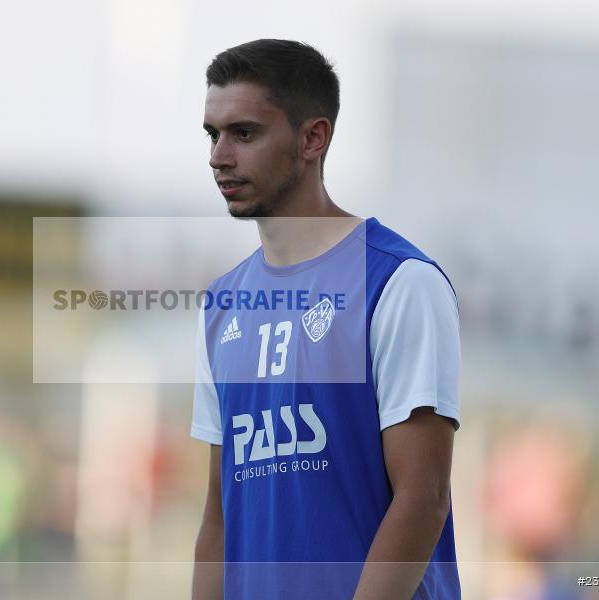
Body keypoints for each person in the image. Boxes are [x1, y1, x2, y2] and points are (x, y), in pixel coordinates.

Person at [190, 39, 462, 599]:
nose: (219, 155)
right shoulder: (222, 307)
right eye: (213, 134)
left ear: (313, 138)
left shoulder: (400, 283)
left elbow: (422, 499)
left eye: (244, 133)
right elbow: (218, 518)